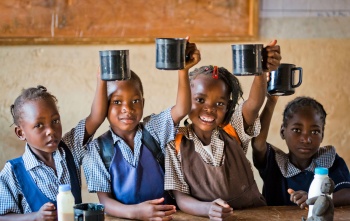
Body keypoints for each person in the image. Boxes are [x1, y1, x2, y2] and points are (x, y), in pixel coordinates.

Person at [83, 40, 201, 220]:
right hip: (125, 218)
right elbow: (104, 202)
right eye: (117, 102)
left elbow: (181, 109)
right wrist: (136, 212)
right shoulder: (97, 149)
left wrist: (183, 71)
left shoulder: (153, 129)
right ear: (104, 106)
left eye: (135, 101)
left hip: (168, 216)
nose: (127, 109)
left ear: (143, 103)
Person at [164, 40, 281, 220]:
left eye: (219, 103)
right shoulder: (175, 143)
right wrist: (207, 209)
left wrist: (261, 71)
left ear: (228, 107)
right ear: (187, 98)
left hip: (252, 215)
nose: (209, 109)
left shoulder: (232, 130)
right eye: (200, 100)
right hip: (204, 217)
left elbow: (253, 104)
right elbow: (181, 198)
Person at [0, 75, 107, 220]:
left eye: (55, 120)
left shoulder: (70, 148)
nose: (51, 130)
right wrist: (35, 217)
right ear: (21, 133)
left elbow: (96, 116)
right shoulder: (13, 172)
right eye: (39, 125)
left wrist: (102, 78)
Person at [252, 95, 350, 209]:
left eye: (315, 132)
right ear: (283, 132)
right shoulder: (275, 162)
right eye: (297, 130)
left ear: (322, 136)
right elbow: (258, 144)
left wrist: (318, 198)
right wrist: (271, 101)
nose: (306, 139)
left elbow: (347, 194)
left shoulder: (329, 161)